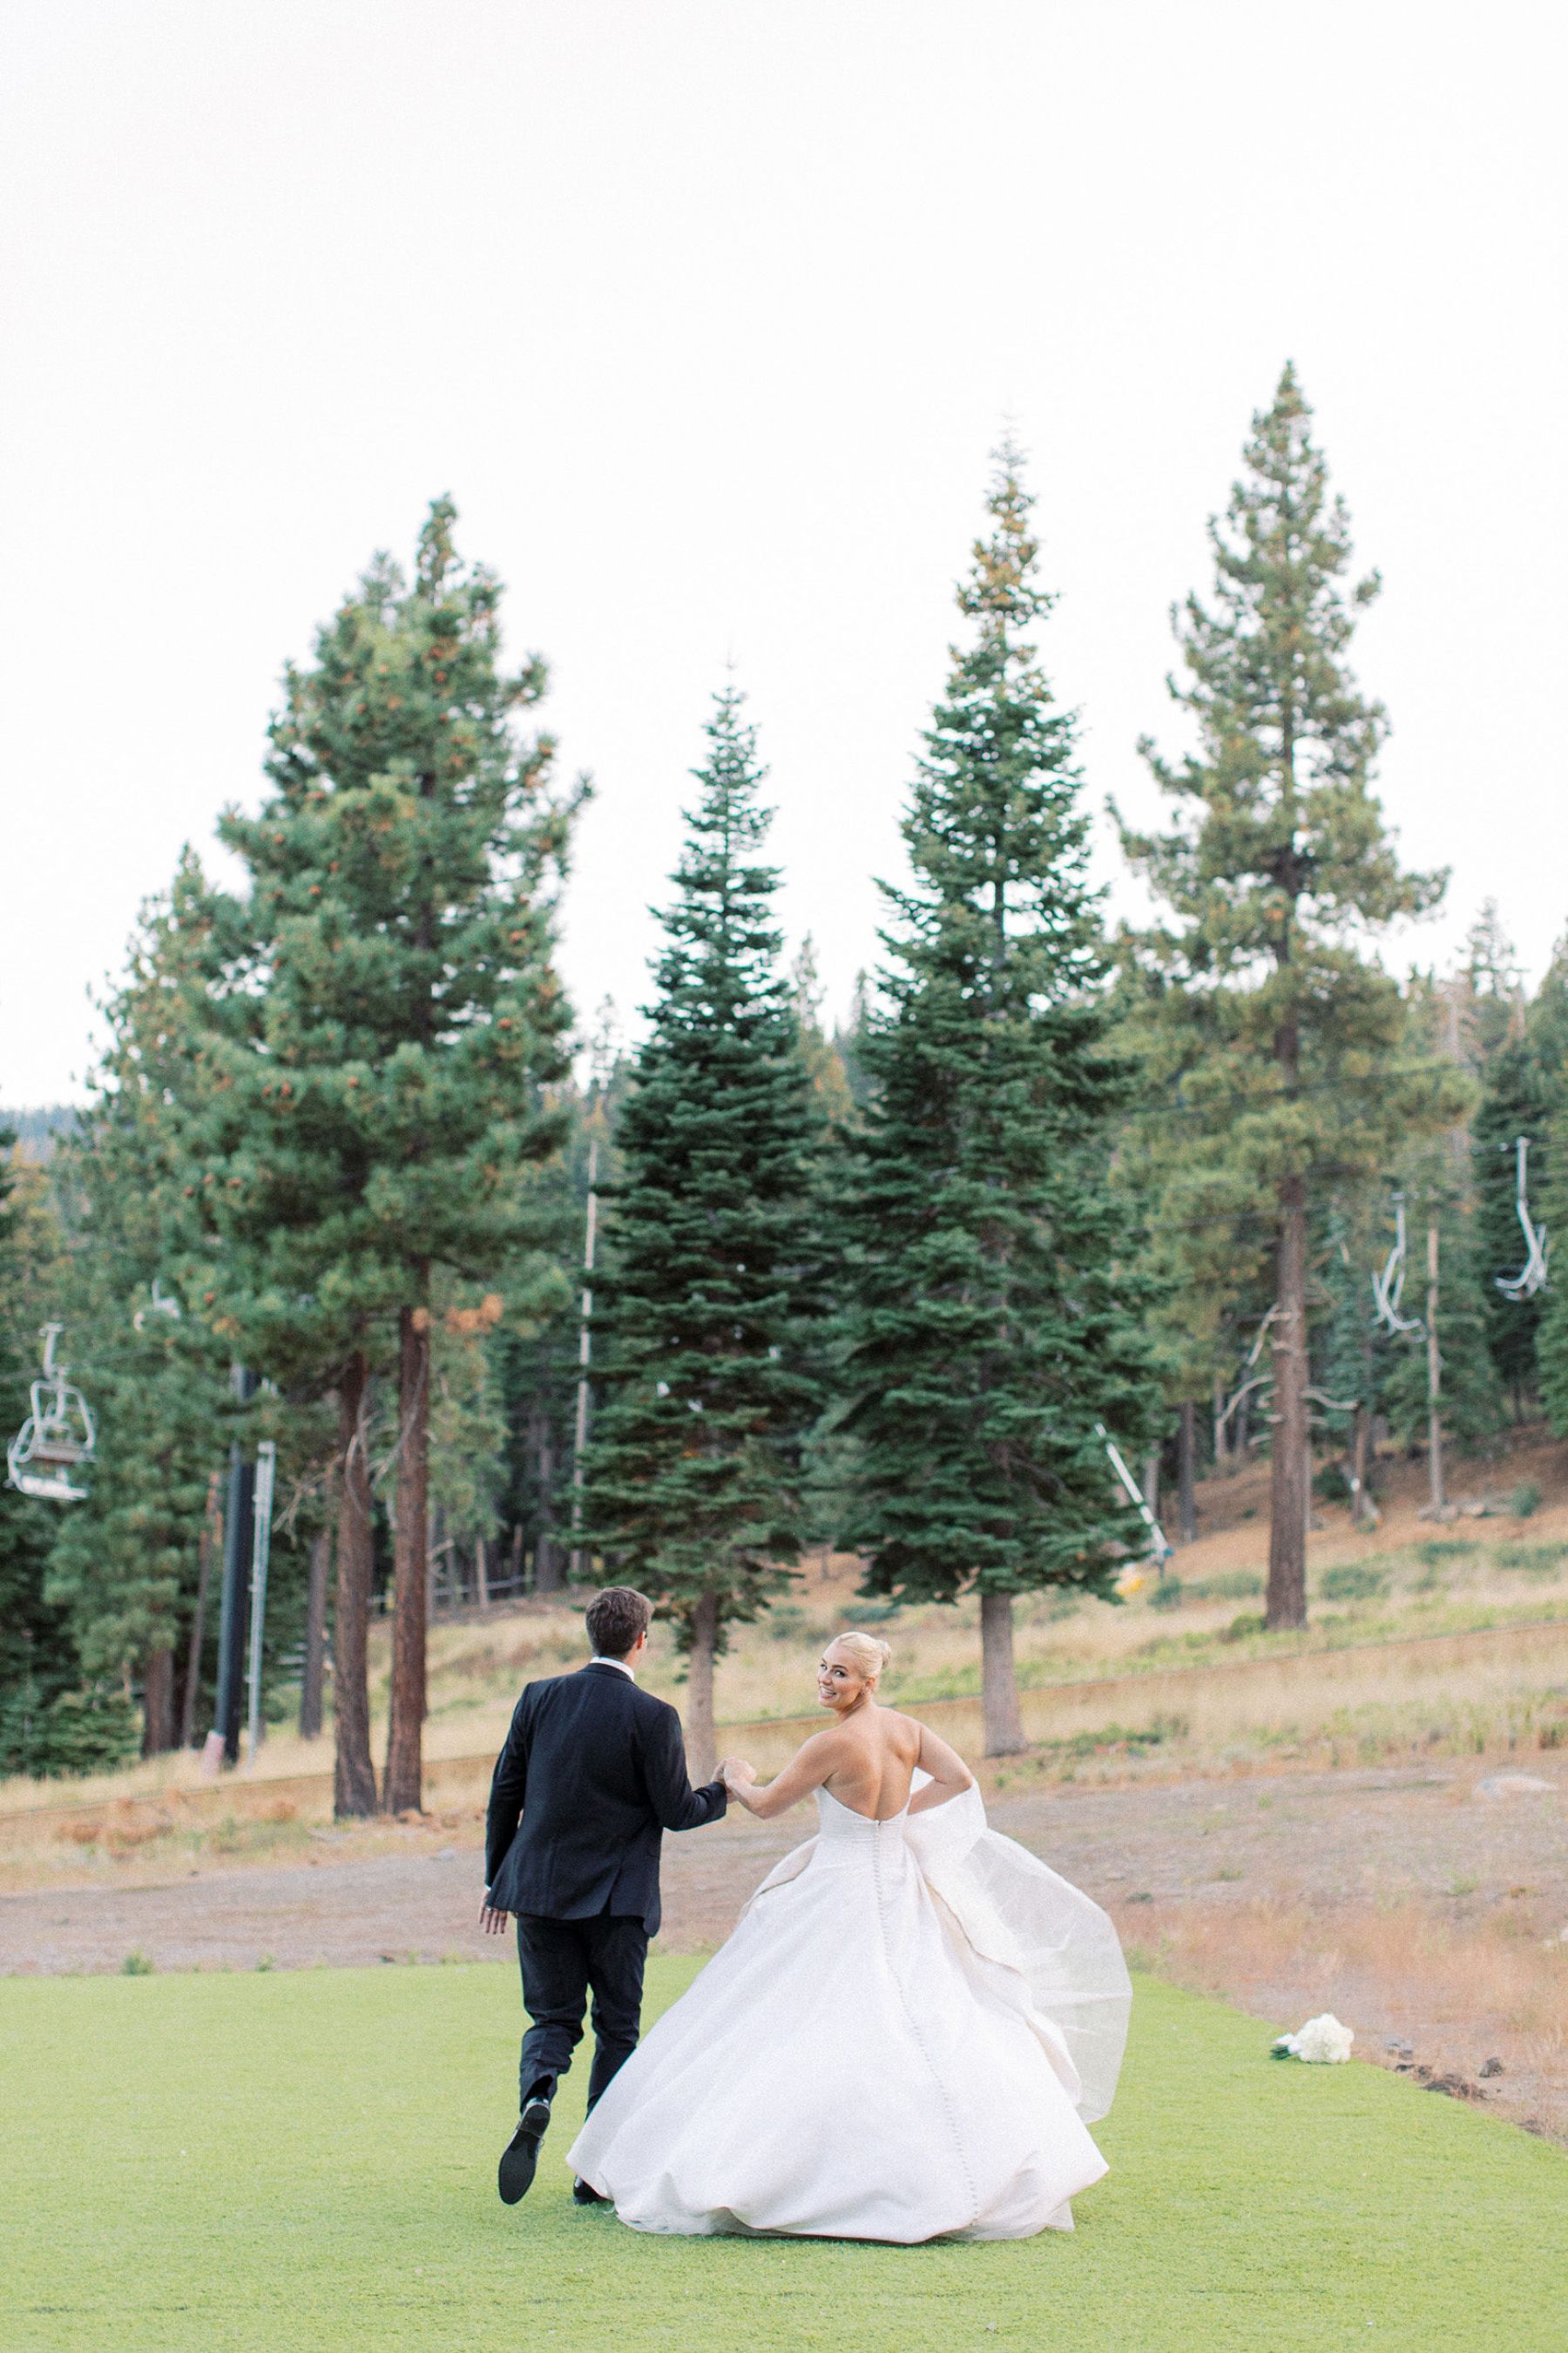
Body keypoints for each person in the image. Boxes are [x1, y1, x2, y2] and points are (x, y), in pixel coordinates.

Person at [567, 1630, 1131, 2241]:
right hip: (894, 1876)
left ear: (868, 1681)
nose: (826, 1679)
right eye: (823, 1666)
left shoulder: (830, 1744)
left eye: (840, 1672)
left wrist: (735, 1775)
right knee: (916, 2009)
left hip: (840, 1885)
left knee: (802, 2012)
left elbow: (765, 1805)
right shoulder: (906, 1731)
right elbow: (958, 1779)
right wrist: (894, 1819)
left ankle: (803, 2173)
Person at [480, 1586, 728, 2208]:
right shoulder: (653, 1715)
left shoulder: (539, 1698)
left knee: (552, 2018)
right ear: (641, 1639)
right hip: (617, 1901)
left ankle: (538, 2096)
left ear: (590, 1634)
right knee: (617, 2027)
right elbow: (677, 1810)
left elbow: (504, 1792)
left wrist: (498, 1879)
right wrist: (724, 1790)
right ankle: (594, 2169)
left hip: (536, 1889)